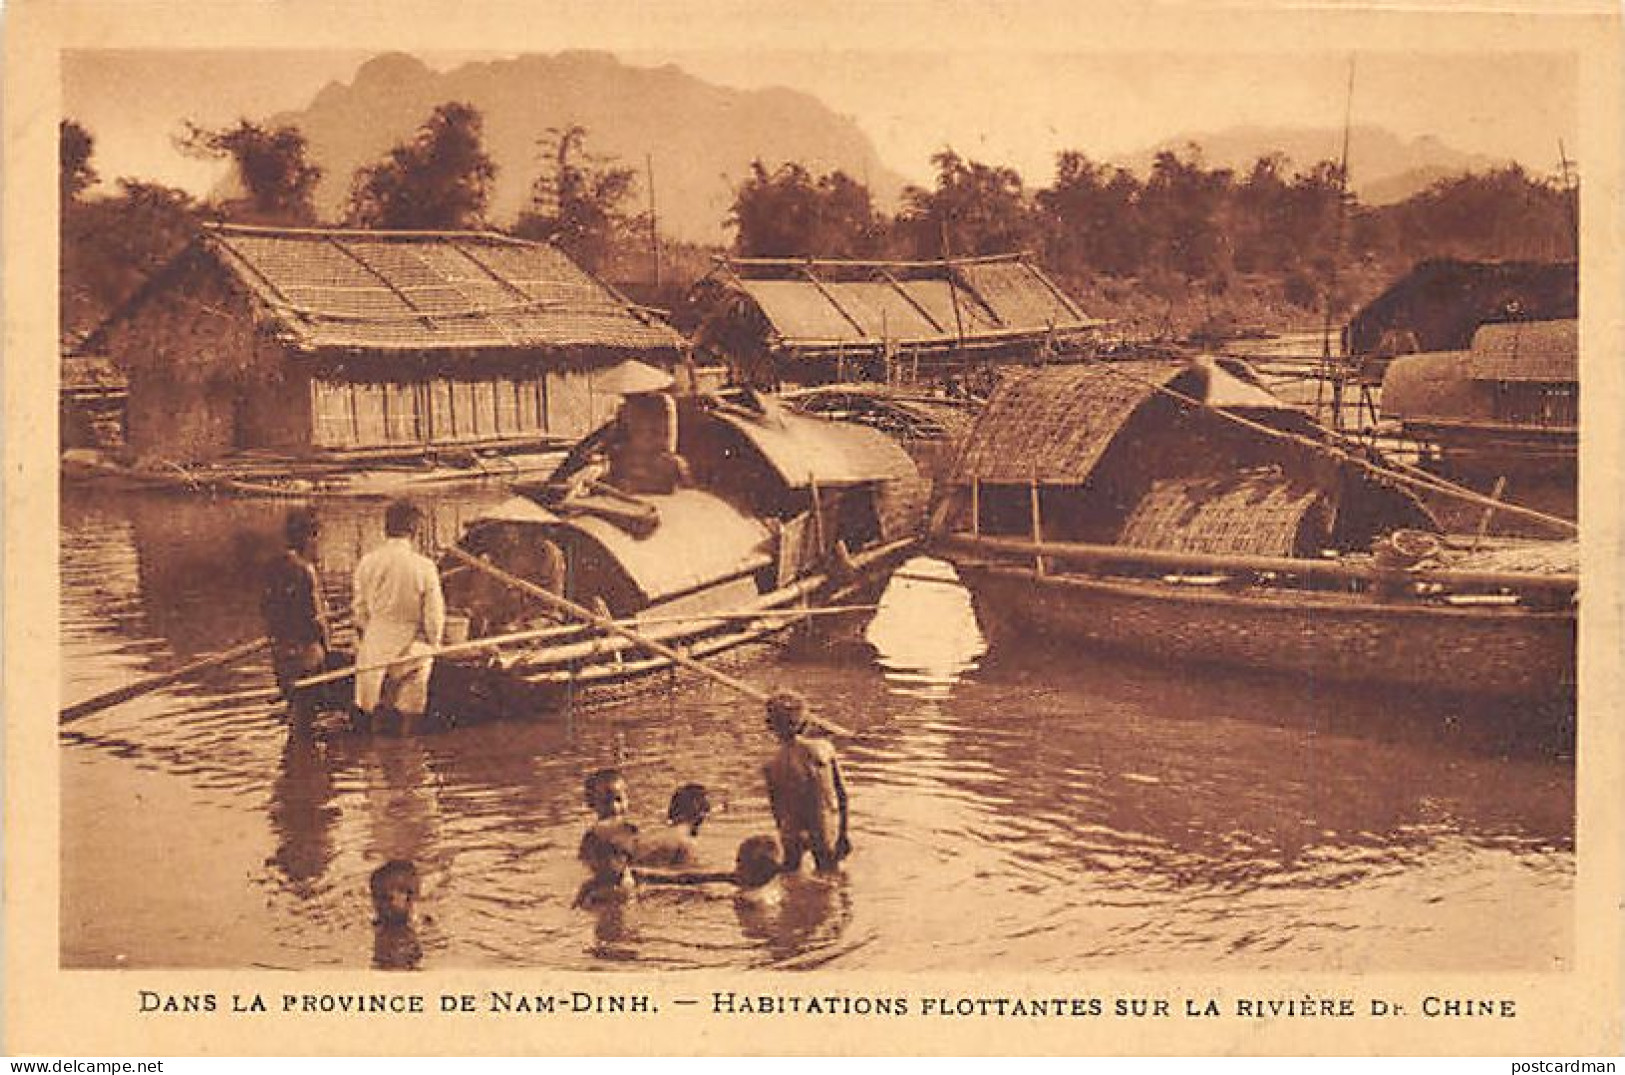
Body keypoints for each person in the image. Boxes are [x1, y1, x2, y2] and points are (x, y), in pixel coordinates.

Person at [352, 500, 445, 735]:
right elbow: (434, 617)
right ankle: (405, 760)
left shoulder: (367, 562)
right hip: (410, 646)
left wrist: (372, 633)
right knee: (408, 716)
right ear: (414, 529)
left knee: (373, 710)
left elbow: (359, 611)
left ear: (386, 528)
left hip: (374, 644)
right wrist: (435, 644)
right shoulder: (424, 566)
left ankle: (375, 764)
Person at [762, 690, 851, 873]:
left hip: (792, 830)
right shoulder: (824, 749)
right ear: (806, 721)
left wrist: (783, 832)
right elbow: (842, 795)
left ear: (770, 727)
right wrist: (843, 834)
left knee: (791, 875)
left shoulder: (771, 765)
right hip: (823, 826)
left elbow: (777, 810)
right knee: (831, 876)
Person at [261, 507, 330, 727]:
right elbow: (315, 618)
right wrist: (325, 645)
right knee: (305, 718)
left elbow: (266, 609)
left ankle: (294, 759)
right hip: (306, 653)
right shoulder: (305, 571)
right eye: (317, 537)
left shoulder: (272, 566)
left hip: (281, 651)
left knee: (296, 711)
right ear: (309, 537)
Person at [634, 783, 710, 867]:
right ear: (701, 813)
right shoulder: (686, 843)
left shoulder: (652, 834)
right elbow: (686, 876)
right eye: (706, 809)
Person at [579, 768, 638, 862]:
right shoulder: (592, 839)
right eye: (606, 802)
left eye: (619, 799)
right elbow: (585, 864)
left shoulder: (632, 831)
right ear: (591, 804)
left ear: (628, 799)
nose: (614, 807)